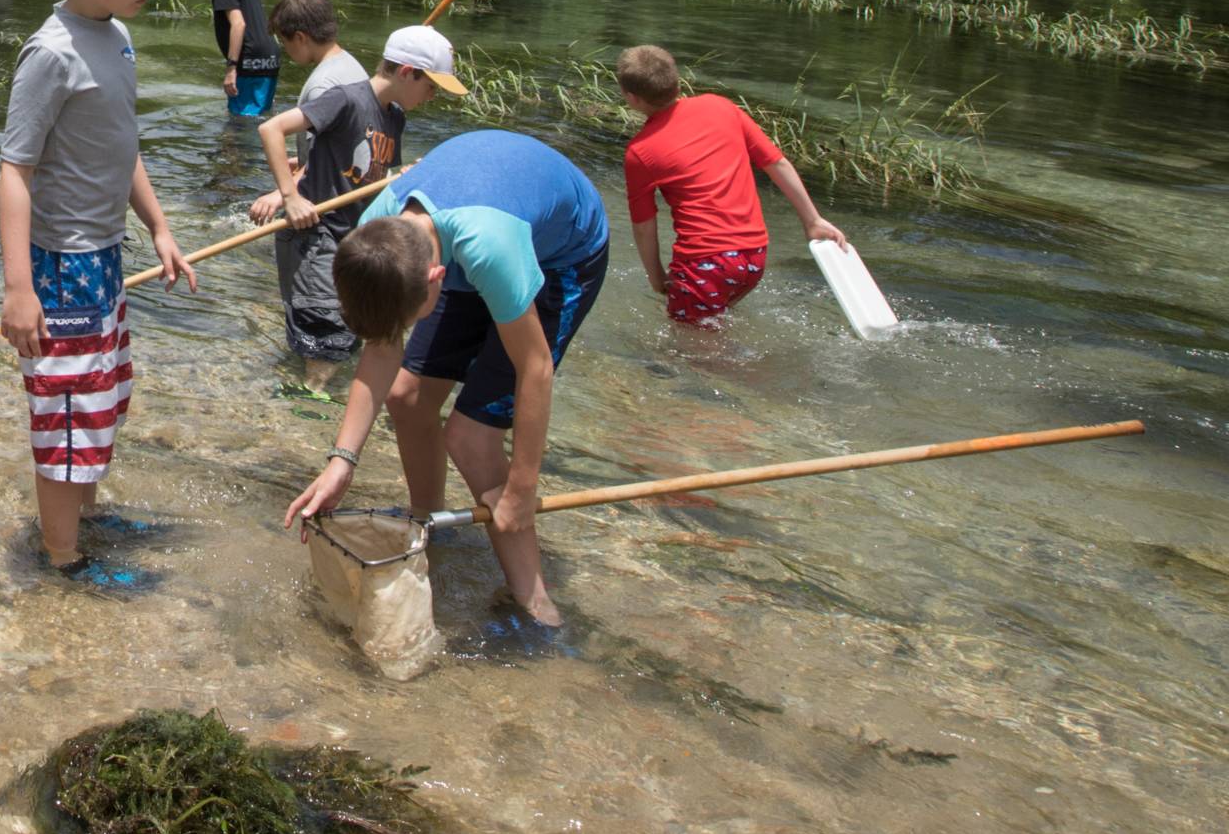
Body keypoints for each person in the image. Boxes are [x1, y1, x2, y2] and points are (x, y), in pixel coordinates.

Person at [281, 127, 613, 627]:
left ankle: (535, 602)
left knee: (472, 436)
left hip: (562, 253)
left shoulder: (491, 250)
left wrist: (522, 489)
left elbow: (536, 369)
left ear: (438, 279)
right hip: (471, 233)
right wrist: (341, 462)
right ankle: (429, 530)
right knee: (407, 396)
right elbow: (381, 345)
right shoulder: (377, 234)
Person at [0, 0, 196, 582]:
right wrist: (19, 291)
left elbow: (122, 142)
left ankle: (82, 514)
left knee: (104, 396)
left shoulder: (114, 37)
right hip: (61, 271)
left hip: (105, 257)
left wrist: (161, 226)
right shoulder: (51, 54)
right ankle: (63, 561)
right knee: (67, 419)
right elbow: (14, 172)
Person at [246, 25, 466, 388]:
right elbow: (272, 129)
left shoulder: (394, 117)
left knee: (352, 328)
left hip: (352, 239)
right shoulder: (345, 99)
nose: (431, 97)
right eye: (431, 87)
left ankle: (312, 390)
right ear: (408, 73)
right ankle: (311, 399)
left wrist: (402, 175)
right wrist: (289, 197)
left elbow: (369, 172)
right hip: (311, 234)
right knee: (322, 327)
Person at [615, 44, 849, 326]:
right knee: (711, 328)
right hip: (754, 257)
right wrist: (812, 220)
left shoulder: (640, 152)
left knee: (690, 350)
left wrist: (656, 276)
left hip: (706, 263)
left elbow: (643, 226)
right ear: (677, 82)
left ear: (632, 98)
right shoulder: (721, 106)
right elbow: (776, 164)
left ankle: (757, 371)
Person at [193, 0, 279, 120]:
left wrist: (231, 68)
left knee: (240, 123)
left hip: (249, 58)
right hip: (270, 56)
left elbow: (238, 24)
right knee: (261, 116)